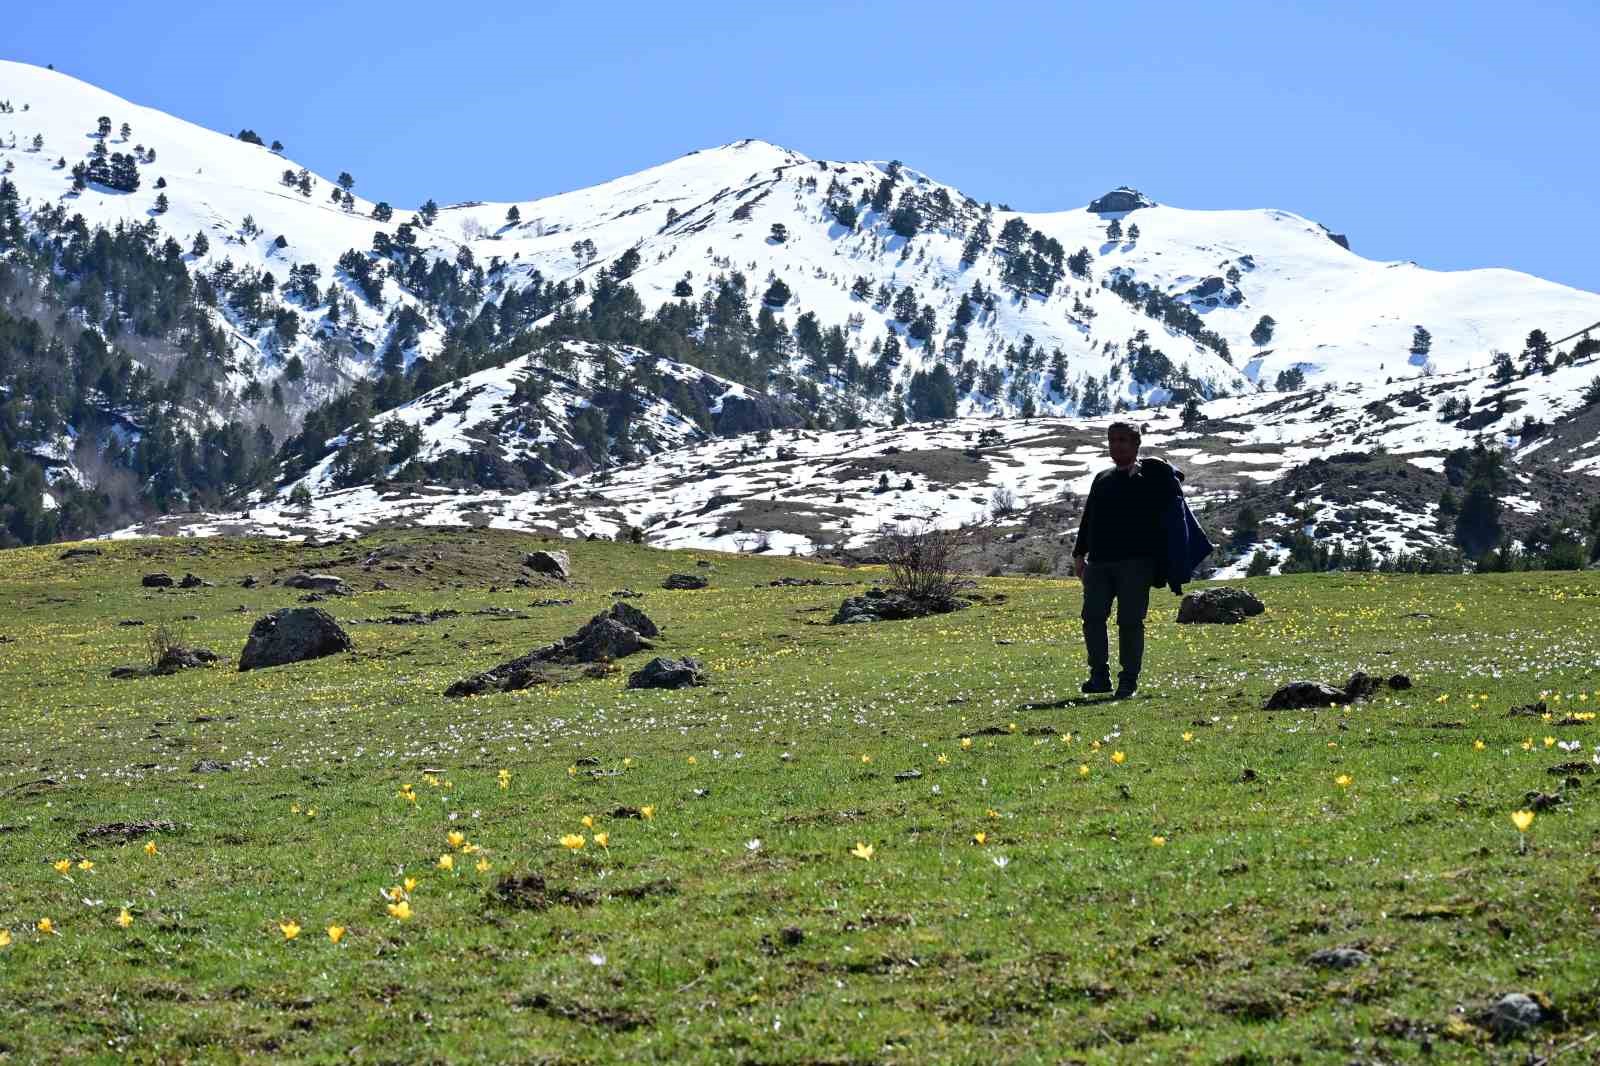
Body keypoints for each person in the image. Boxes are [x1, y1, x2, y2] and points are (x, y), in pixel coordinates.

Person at [1071, 422, 1181, 699]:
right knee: (1092, 618)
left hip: (1136, 564)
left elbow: (1174, 484)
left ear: (1135, 444)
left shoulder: (1149, 477)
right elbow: (1088, 519)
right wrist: (1079, 554)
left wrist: (1151, 469)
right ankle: (1099, 677)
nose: (1116, 445)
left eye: (1123, 440)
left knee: (1130, 622)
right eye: (1112, 440)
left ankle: (1128, 681)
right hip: (1099, 563)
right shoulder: (1102, 478)